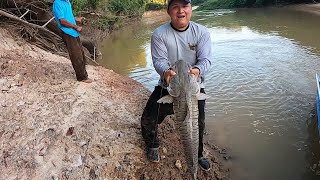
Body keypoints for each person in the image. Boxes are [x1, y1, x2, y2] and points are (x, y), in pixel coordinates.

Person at [141, 0, 212, 171]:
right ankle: (153, 145)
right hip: (168, 86)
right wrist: (165, 73)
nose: (180, 11)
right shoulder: (159, 34)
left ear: (190, 9)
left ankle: (199, 154)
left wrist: (196, 71)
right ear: (168, 11)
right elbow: (159, 61)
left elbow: (206, 60)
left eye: (185, 6)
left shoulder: (201, 32)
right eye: (175, 7)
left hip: (193, 87)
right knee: (148, 120)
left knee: (199, 124)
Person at [52, 0, 92, 83]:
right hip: (67, 32)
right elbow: (62, 21)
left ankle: (83, 72)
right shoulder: (57, 3)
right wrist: (75, 27)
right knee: (76, 55)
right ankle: (82, 77)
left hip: (74, 33)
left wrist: (76, 19)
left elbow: (68, 17)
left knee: (81, 52)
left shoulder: (67, 2)